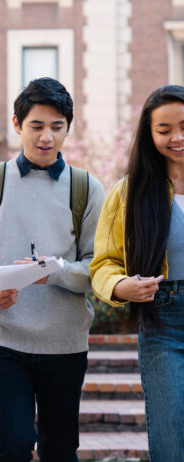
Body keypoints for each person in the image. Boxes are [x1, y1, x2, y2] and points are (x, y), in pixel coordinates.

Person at [0, 77, 105, 462]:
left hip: (65, 342)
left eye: (57, 126)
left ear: (68, 128)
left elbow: (97, 268)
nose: (47, 137)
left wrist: (51, 271)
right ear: (18, 125)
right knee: (14, 444)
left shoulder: (87, 188)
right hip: (4, 337)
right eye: (36, 126)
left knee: (59, 450)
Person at [90, 85, 184, 461]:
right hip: (164, 324)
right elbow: (103, 263)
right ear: (149, 134)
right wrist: (120, 286)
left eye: (183, 126)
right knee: (171, 439)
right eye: (164, 130)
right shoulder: (129, 192)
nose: (176, 137)